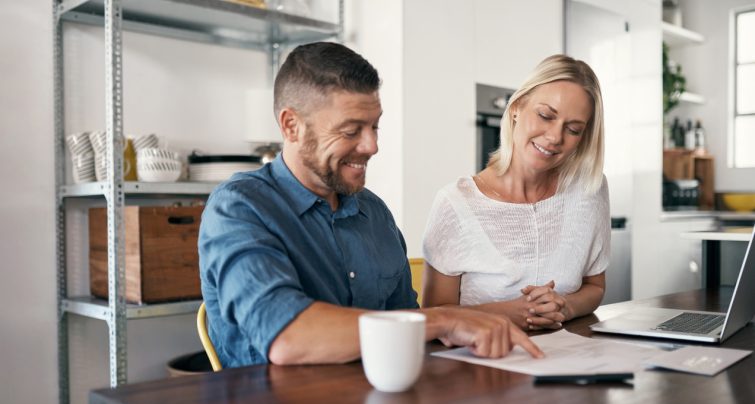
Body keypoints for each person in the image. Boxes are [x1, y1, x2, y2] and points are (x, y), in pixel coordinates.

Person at [198, 42, 543, 368]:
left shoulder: (374, 213)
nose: (372, 145)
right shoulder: (240, 208)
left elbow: (409, 331)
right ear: (292, 126)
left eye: (375, 126)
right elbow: (288, 338)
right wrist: (445, 318)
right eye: (351, 131)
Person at [422, 54, 610, 332]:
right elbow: (434, 316)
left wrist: (564, 306)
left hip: (565, 360)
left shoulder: (590, 191)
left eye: (573, 129)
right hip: (480, 367)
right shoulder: (455, 203)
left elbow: (595, 286)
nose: (555, 137)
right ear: (516, 108)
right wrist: (510, 313)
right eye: (545, 115)